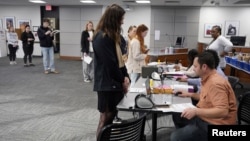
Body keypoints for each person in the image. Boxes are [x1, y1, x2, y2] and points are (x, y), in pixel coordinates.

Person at [170, 51, 237, 141]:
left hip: (216, 123)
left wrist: (196, 112)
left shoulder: (215, 83)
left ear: (204, 67)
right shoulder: (207, 78)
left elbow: (223, 111)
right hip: (207, 118)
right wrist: (190, 94)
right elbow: (206, 98)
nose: (193, 69)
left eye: (195, 66)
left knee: (175, 137)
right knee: (178, 115)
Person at [92, 4, 130, 139]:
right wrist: (122, 80)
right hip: (106, 84)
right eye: (121, 18)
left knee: (111, 117)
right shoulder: (101, 37)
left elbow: (120, 61)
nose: (123, 21)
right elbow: (111, 65)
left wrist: (126, 77)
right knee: (105, 118)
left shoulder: (112, 36)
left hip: (113, 83)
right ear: (114, 18)